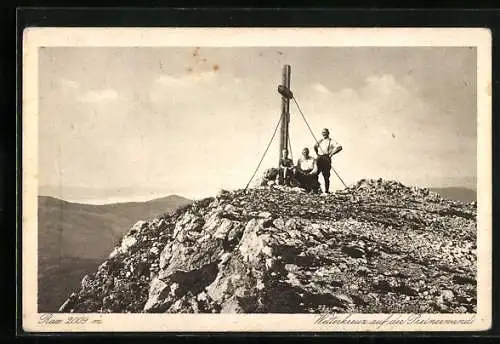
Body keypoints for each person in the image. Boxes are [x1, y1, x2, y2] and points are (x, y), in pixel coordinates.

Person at [313, 128, 342, 193]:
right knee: (315, 174)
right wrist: (317, 153)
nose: (324, 134)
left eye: (325, 132)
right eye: (323, 133)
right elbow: (314, 146)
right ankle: (316, 189)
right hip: (319, 158)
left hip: (326, 158)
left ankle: (326, 191)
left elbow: (340, 147)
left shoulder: (331, 141)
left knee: (326, 175)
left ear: (328, 133)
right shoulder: (320, 141)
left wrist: (331, 154)